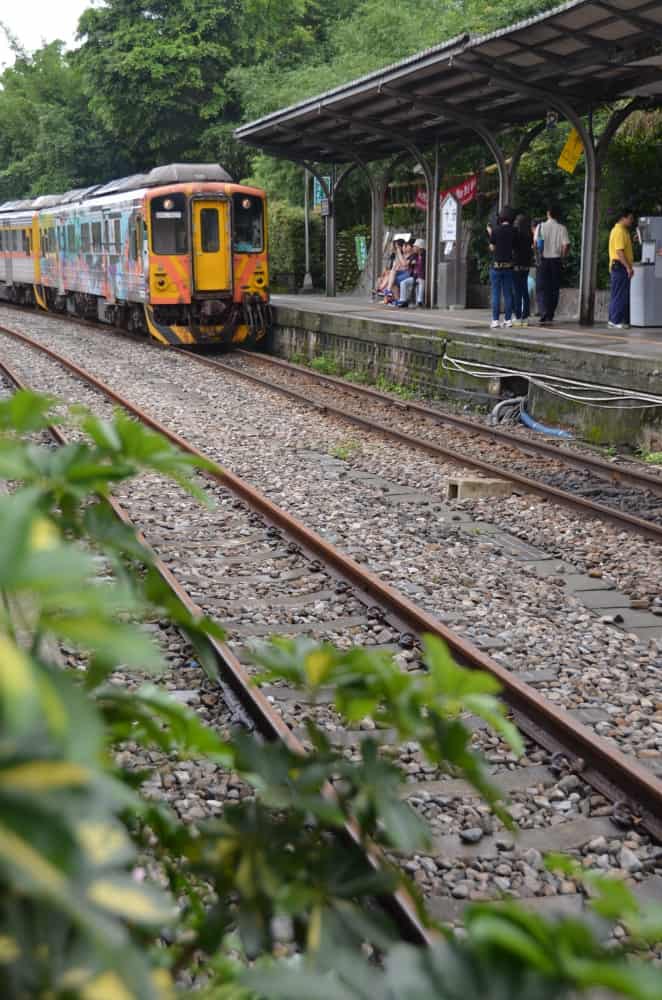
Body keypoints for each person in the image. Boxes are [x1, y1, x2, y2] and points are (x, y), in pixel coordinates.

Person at [536, 205, 570, 323]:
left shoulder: (540, 227)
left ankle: (543, 311)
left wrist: (538, 256)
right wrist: (563, 257)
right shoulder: (562, 228)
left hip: (543, 260)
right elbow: (565, 245)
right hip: (556, 261)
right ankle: (550, 313)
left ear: (548, 213)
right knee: (554, 288)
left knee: (541, 287)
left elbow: (535, 243)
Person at [487, 207, 517, 329]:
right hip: (509, 266)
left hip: (496, 266)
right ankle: (508, 320)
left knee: (495, 294)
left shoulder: (496, 230)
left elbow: (492, 248)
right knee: (508, 294)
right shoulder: (514, 231)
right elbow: (515, 247)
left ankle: (495, 320)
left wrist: (490, 233)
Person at [608, 208, 635, 329]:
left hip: (619, 266)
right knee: (620, 294)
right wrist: (628, 267)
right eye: (630, 218)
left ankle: (613, 319)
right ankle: (616, 320)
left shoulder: (623, 231)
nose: (631, 221)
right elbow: (619, 251)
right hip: (620, 266)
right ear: (623, 218)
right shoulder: (619, 231)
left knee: (617, 293)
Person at [392, 238, 426, 308]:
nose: (414, 248)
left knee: (421, 282)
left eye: (415, 247)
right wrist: (411, 263)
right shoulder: (415, 255)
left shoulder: (425, 256)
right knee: (403, 283)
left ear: (420, 248)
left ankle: (420, 301)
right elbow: (408, 263)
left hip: (422, 277)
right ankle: (403, 300)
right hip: (414, 276)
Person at [512, 213, 533, 327]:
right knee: (524, 290)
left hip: (516, 266)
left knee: (517, 292)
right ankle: (525, 317)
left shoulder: (517, 235)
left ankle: (518, 316)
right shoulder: (529, 235)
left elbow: (513, 248)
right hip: (526, 267)